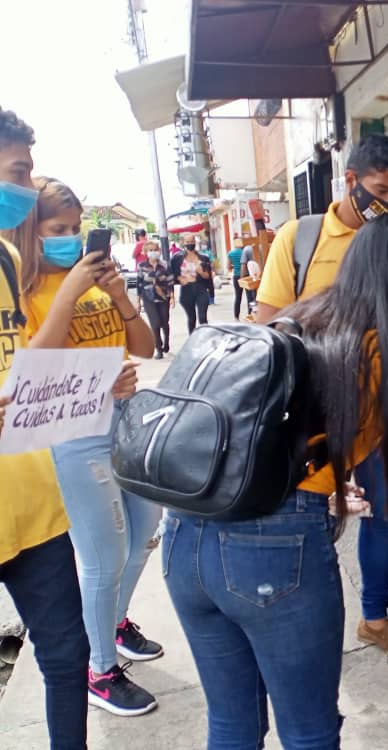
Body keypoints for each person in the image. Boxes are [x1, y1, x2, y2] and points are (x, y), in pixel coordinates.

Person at [161, 213, 388, 749]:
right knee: (310, 732)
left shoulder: (296, 320)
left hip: (185, 539)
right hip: (274, 552)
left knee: (232, 723)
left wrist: (329, 485)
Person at [254, 134, 388, 660]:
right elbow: (269, 326)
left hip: (378, 410)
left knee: (383, 513)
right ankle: (303, 621)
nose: (387, 204)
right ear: (349, 181)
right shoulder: (299, 239)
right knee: (312, 520)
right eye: (379, 192)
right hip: (313, 418)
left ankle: (375, 617)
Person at [11, 175, 166, 718]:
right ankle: (97, 671)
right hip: (72, 435)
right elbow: (32, 372)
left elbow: (143, 347)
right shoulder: (26, 291)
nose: (71, 239)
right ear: (32, 233)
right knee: (104, 556)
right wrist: (73, 290)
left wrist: (122, 300)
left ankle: (113, 623)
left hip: (123, 422)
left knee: (145, 530)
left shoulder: (98, 283)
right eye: (58, 229)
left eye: (77, 229)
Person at [0, 107, 91, 750]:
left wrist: (85, 386)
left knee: (66, 660)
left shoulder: (6, 258)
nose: (27, 188)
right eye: (17, 171)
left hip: (34, 507)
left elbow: (25, 366)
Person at [136, 240, 174, 358]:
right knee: (155, 323)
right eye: (150, 250)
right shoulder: (142, 266)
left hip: (163, 297)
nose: (153, 252)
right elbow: (139, 284)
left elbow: (170, 281)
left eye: (155, 250)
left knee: (164, 322)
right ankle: (159, 348)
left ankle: (166, 342)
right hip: (148, 298)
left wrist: (172, 297)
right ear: (146, 252)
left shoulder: (165, 265)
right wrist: (138, 301)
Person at [171, 231, 211, 333]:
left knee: (202, 318)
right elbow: (172, 275)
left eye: (192, 241)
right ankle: (192, 340)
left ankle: (205, 339)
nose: (190, 244)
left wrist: (201, 272)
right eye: (187, 242)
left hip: (201, 289)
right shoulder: (177, 258)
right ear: (183, 243)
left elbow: (208, 276)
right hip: (186, 290)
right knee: (191, 318)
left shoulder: (203, 258)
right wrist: (180, 279)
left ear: (195, 242)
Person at [226, 237, 247, 321]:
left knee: (238, 297)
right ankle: (250, 313)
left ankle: (236, 316)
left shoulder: (230, 253)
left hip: (236, 276)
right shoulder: (245, 252)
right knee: (250, 296)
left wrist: (234, 266)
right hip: (246, 276)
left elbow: (228, 267)